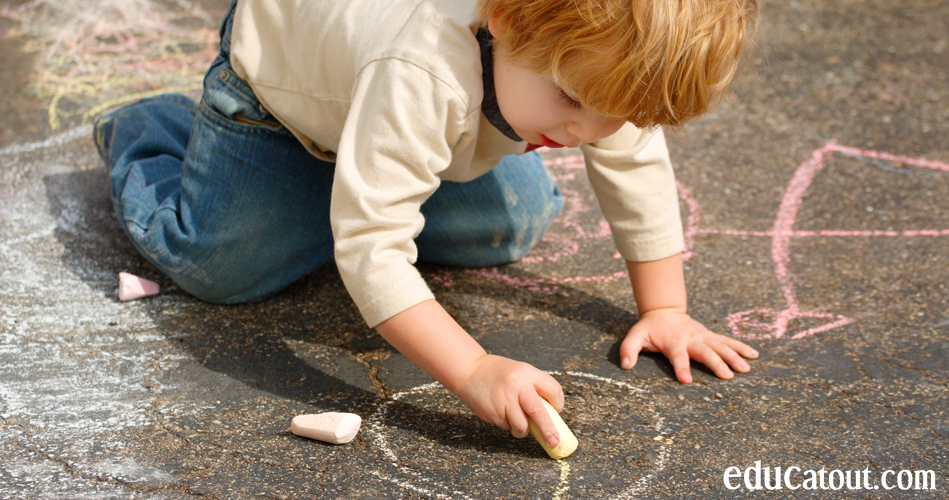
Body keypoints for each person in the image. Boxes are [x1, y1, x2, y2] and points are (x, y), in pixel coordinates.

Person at [93, 0, 760, 450]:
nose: (590, 133)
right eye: (574, 101)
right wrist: (471, 369)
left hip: (416, 109)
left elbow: (632, 157)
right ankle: (150, 128)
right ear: (503, 19)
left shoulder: (578, 67)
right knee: (224, 262)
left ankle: (366, 176)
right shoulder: (422, 68)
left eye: (616, 113)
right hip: (277, 100)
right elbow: (372, 251)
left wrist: (665, 307)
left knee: (512, 225)